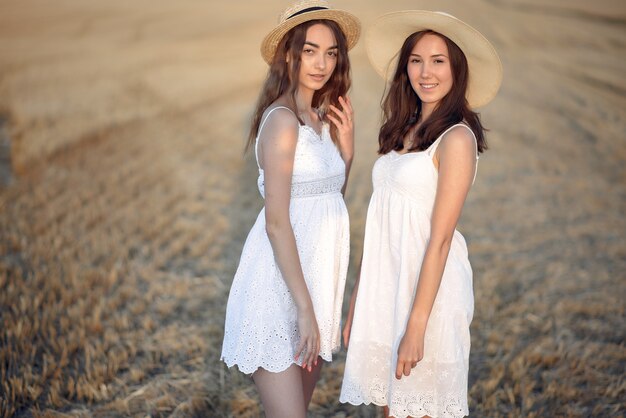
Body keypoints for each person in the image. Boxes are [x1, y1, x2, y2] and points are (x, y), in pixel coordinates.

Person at [340, 10, 502, 418]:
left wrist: (417, 325)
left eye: (438, 60)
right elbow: (382, 220)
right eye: (416, 60)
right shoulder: (405, 127)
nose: (425, 72)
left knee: (419, 408)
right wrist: (361, 294)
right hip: (388, 286)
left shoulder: (457, 138)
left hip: (427, 294)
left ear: (457, 69)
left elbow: (441, 238)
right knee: (390, 408)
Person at [220, 1, 360, 417]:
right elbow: (278, 224)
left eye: (331, 52)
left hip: (313, 286)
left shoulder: (319, 117)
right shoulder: (282, 121)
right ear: (288, 54)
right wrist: (304, 309)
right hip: (280, 291)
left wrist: (346, 154)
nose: (322, 63)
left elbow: (327, 202)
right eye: (310, 50)